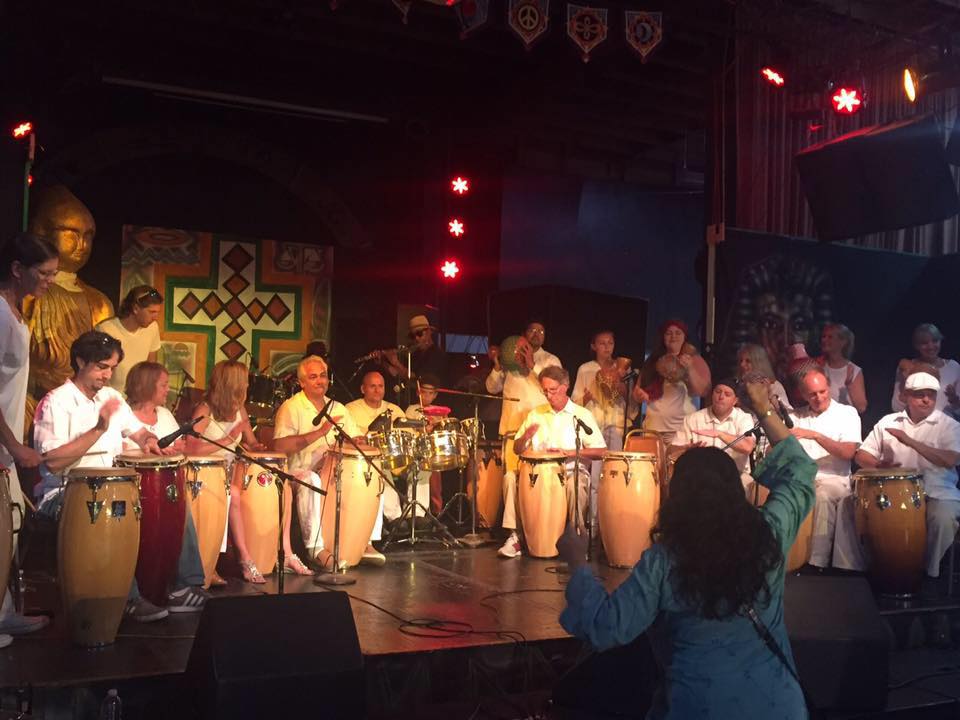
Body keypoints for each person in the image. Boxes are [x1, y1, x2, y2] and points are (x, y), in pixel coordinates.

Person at [557, 378, 814, 720]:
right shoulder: (768, 535)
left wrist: (577, 561)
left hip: (699, 707)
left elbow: (606, 627)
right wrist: (764, 410)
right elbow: (799, 473)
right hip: (779, 708)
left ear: (678, 498)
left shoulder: (664, 562)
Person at [33, 331, 169, 621]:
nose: (108, 375)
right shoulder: (55, 402)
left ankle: (174, 587)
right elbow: (52, 462)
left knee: (161, 505)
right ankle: (126, 599)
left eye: (112, 368)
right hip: (63, 494)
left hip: (112, 490)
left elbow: (139, 432)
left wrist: (148, 439)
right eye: (101, 367)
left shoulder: (111, 397)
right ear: (80, 361)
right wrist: (98, 430)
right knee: (110, 512)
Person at [186, 361, 311, 582]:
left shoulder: (239, 410)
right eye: (244, 381)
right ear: (232, 384)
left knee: (283, 488)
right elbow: (191, 448)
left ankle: (287, 553)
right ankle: (244, 559)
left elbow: (250, 443)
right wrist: (226, 440)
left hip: (231, 471)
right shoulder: (205, 410)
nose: (247, 385)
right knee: (234, 494)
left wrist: (257, 448)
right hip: (206, 475)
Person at [0, 233, 59, 645]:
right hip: (3, 445)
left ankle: (4, 612)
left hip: (5, 446)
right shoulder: (0, 315)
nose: (51, 281)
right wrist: (15, 445)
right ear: (18, 269)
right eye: (45, 272)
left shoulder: (17, 315)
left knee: (9, 530)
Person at [273, 356, 385, 569]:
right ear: (302, 382)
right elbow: (279, 446)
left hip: (334, 472)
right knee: (311, 480)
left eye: (323, 376)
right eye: (313, 377)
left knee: (372, 473)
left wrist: (357, 441)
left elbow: (352, 439)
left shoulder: (338, 408)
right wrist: (318, 433)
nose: (320, 381)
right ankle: (315, 550)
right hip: (299, 472)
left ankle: (366, 541)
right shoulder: (291, 407)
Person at [852, 371, 960, 582]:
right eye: (920, 394)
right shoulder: (888, 421)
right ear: (906, 396)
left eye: (931, 394)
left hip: (939, 492)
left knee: (942, 518)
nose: (926, 399)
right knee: (856, 506)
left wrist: (910, 441)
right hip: (895, 494)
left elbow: (950, 459)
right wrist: (878, 465)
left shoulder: (949, 425)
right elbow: (861, 455)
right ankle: (884, 571)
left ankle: (927, 574)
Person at [123, 361, 209, 607]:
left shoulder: (165, 415)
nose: (167, 389)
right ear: (147, 386)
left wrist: (178, 449)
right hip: (133, 487)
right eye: (163, 385)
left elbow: (175, 451)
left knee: (183, 511)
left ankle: (188, 583)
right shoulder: (125, 416)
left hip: (164, 485)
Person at [23, 186, 114, 415]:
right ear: (42, 232)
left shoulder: (98, 302)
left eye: (88, 236)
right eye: (72, 235)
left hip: (80, 398)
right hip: (31, 397)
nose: (81, 245)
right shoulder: (28, 295)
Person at [499, 366, 606, 558]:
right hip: (537, 475)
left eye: (553, 390)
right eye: (545, 391)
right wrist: (525, 437)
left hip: (570, 472)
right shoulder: (536, 414)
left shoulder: (581, 415)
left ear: (565, 386)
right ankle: (515, 537)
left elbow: (601, 451)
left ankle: (577, 539)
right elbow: (517, 449)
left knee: (576, 485)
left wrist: (569, 452)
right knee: (509, 477)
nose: (548, 395)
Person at [788, 367, 861, 569]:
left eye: (822, 391)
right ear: (803, 395)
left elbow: (848, 452)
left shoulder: (847, 413)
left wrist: (816, 436)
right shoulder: (796, 417)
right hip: (802, 478)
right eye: (812, 394)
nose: (819, 397)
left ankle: (817, 562)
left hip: (834, 479)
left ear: (829, 388)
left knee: (823, 495)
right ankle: (788, 559)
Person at [346, 371, 421, 533]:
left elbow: (409, 434)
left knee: (421, 465)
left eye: (380, 386)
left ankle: (417, 515)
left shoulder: (393, 409)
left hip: (398, 458)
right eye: (372, 386)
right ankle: (395, 518)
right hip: (370, 460)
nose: (377, 390)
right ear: (363, 389)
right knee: (381, 466)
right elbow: (350, 438)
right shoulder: (351, 409)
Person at [634, 320, 711, 445]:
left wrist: (690, 369)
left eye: (678, 333)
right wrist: (639, 395)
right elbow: (637, 392)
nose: (673, 336)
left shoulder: (694, 359)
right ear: (663, 337)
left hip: (680, 429)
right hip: (652, 428)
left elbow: (703, 391)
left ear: (685, 337)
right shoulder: (652, 361)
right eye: (668, 333)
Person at [673, 378, 756, 487]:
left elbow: (747, 447)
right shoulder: (693, 419)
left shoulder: (743, 418)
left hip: (735, 476)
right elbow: (670, 451)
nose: (721, 397)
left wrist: (719, 434)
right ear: (712, 395)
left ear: (735, 401)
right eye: (718, 392)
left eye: (727, 394)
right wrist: (686, 449)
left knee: (746, 482)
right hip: (699, 475)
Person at [95, 285, 163, 393]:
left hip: (137, 397)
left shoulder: (152, 328)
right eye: (151, 312)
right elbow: (97, 370)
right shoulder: (106, 329)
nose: (155, 317)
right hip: (110, 395)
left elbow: (150, 367)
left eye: (157, 312)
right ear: (135, 308)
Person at [891, 323, 960, 415]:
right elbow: (896, 407)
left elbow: (958, 410)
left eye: (935, 341)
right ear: (916, 345)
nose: (930, 346)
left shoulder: (953, 367)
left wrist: (953, 398)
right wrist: (905, 382)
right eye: (924, 343)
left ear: (940, 341)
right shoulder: (907, 367)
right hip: (915, 422)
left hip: (946, 422)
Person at [380, 315, 447, 400]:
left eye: (419, 334)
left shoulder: (437, 354)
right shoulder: (415, 354)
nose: (416, 338)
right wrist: (383, 362)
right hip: (414, 399)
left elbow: (415, 378)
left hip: (432, 400)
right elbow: (398, 374)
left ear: (428, 332)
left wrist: (396, 363)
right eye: (413, 336)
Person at [404, 373, 444, 514]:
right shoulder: (412, 409)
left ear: (435, 395)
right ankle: (417, 512)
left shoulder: (439, 411)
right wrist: (422, 428)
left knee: (436, 487)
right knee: (420, 478)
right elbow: (409, 429)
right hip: (417, 453)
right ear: (418, 392)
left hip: (434, 452)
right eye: (423, 392)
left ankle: (436, 514)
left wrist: (438, 422)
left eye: (430, 393)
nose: (426, 396)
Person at [817, 323, 867, 414]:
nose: (824, 340)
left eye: (830, 337)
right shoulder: (817, 366)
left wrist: (849, 385)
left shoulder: (854, 370)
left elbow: (861, 408)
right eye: (823, 336)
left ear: (843, 342)